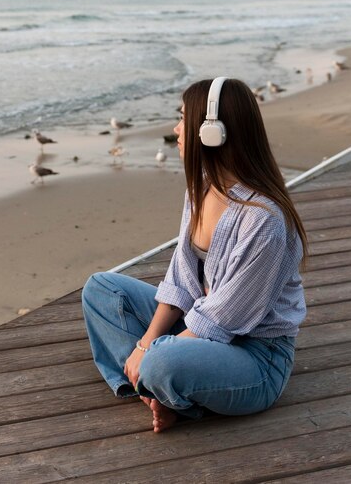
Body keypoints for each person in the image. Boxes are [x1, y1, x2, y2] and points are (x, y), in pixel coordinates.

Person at [81, 77, 307, 432]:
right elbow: (181, 279)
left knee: (162, 362)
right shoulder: (202, 186)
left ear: (212, 131)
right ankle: (154, 391)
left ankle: (162, 385)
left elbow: (223, 318)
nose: (176, 128)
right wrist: (145, 344)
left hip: (258, 357)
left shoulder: (264, 220)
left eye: (184, 117)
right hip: (203, 325)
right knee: (101, 290)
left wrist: (152, 352)